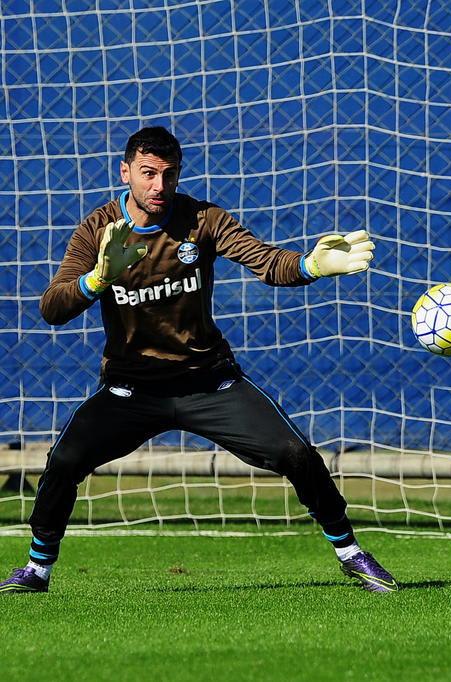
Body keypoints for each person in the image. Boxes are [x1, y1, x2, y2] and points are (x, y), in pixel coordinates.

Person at [1, 126, 397, 594]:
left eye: (168, 175)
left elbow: (264, 261)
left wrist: (311, 265)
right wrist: (99, 277)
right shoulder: (98, 229)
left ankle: (351, 554)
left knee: (295, 454)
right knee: (64, 458)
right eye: (148, 173)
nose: (158, 186)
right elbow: (53, 307)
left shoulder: (202, 219)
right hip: (132, 391)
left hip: (209, 384)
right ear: (125, 171)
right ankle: (37, 569)